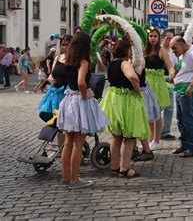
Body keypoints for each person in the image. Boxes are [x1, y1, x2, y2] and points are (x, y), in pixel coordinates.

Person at [57, 32, 109, 188]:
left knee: (67, 143)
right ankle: (74, 179)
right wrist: (86, 92)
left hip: (68, 100)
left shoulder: (68, 60)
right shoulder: (83, 62)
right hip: (79, 101)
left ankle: (66, 177)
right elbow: (81, 81)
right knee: (78, 144)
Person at [100, 38, 150, 177]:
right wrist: (137, 90)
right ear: (127, 51)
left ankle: (115, 166)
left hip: (114, 100)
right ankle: (124, 168)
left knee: (116, 136)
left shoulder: (112, 64)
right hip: (127, 101)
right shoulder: (124, 63)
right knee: (129, 137)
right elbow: (133, 77)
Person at [144, 27, 176, 151]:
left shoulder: (162, 51)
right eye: (150, 36)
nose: (152, 38)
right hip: (146, 84)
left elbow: (169, 66)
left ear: (159, 38)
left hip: (158, 83)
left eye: (155, 36)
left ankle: (156, 140)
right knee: (148, 113)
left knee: (157, 113)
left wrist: (172, 73)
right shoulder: (144, 51)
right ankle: (150, 139)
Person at [160, 29, 178, 140]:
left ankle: (165, 131)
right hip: (158, 80)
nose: (170, 40)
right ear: (163, 37)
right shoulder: (158, 50)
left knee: (170, 108)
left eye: (172, 38)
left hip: (170, 81)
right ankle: (154, 131)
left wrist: (174, 75)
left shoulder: (173, 52)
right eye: (168, 38)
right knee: (158, 108)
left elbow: (175, 66)